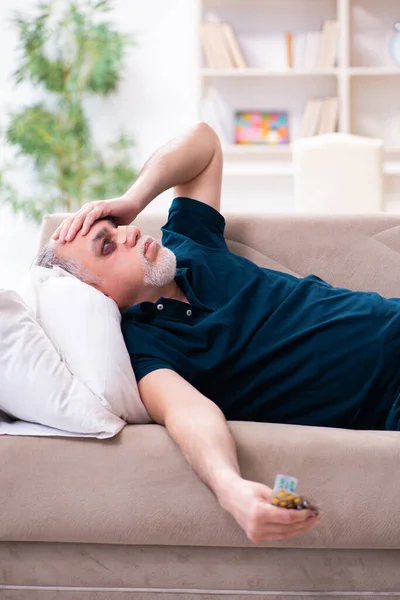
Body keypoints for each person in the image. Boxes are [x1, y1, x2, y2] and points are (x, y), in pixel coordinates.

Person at [39, 122, 400, 544]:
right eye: (106, 245)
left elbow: (204, 142)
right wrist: (231, 489)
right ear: (92, 294)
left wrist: (131, 199)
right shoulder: (144, 351)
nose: (129, 232)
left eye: (114, 226)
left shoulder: (190, 244)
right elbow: (187, 414)